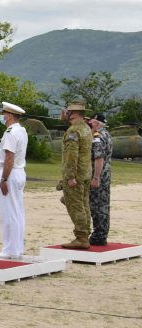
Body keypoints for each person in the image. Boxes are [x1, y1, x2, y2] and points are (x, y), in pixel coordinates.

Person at [0, 102, 28, 259]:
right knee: (17, 211)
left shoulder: (10, 132)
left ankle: (10, 249)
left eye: (3, 113)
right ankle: (17, 247)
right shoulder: (21, 131)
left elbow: (9, 157)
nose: (2, 116)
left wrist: (4, 178)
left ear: (8, 115)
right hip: (19, 172)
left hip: (10, 173)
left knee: (8, 212)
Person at [60, 100, 93, 249]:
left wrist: (69, 177)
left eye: (68, 112)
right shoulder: (86, 128)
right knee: (84, 205)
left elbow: (71, 156)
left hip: (76, 175)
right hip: (86, 173)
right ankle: (85, 233)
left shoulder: (73, 131)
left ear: (72, 113)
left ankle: (81, 237)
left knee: (76, 206)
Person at [87, 113, 113, 246]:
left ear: (96, 123)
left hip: (99, 174)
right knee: (103, 204)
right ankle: (101, 234)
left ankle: (99, 235)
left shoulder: (98, 137)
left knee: (96, 205)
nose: (89, 124)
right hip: (106, 174)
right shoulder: (106, 134)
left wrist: (96, 177)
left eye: (91, 122)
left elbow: (99, 158)